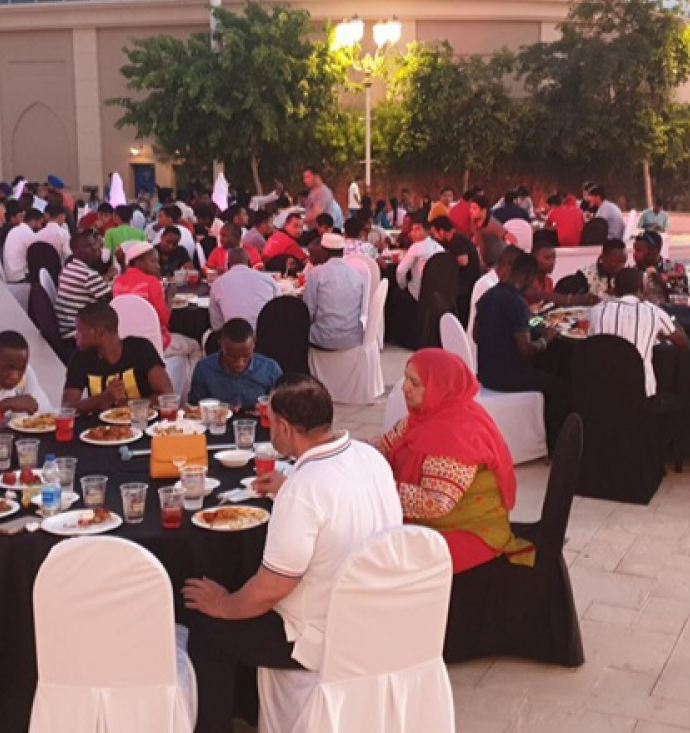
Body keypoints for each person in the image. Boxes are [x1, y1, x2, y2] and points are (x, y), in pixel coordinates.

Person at [183, 375, 400, 733]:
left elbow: (271, 588)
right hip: (374, 611)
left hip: (320, 634)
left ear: (284, 426)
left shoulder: (304, 489)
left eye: (271, 423)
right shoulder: (369, 455)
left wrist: (224, 604)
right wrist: (286, 488)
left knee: (209, 631)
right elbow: (339, 503)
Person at [375, 350, 534, 573]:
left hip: (465, 532)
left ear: (440, 389)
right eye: (405, 378)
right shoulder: (424, 417)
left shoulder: (456, 435)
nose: (404, 388)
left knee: (385, 563)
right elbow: (384, 445)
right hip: (435, 524)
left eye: (415, 383)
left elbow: (436, 503)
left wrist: (377, 489)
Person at [473, 251, 570, 449]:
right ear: (527, 277)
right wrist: (546, 338)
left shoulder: (488, 296)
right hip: (508, 376)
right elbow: (526, 350)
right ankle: (554, 446)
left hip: (485, 372)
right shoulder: (517, 304)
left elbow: (476, 335)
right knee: (562, 388)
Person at [587, 267, 687, 398]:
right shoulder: (653, 312)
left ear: (614, 289)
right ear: (641, 287)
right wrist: (671, 320)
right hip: (641, 390)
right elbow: (682, 342)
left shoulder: (596, 311)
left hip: (602, 387)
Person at [64, 302, 174, 412]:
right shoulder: (80, 358)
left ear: (97, 332)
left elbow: (167, 395)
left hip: (144, 423)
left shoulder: (140, 349)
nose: (75, 336)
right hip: (99, 428)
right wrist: (103, 398)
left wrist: (129, 405)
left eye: (79, 330)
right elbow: (66, 407)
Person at [114, 240, 200, 358]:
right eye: (153, 261)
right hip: (153, 344)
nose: (158, 266)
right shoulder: (151, 282)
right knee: (195, 346)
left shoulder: (117, 281)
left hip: (124, 343)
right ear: (138, 262)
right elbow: (164, 320)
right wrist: (169, 297)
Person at [188, 319, 283, 407]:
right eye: (232, 357)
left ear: (254, 345)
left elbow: (281, 408)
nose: (240, 363)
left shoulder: (270, 369)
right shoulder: (204, 369)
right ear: (221, 345)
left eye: (246, 356)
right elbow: (194, 408)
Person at [303, 234, 367, 350]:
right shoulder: (357, 274)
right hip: (353, 339)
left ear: (323, 253)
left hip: (323, 339)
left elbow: (308, 312)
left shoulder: (316, 274)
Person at [54, 229, 113, 343]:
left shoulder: (70, 267)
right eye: (92, 245)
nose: (97, 248)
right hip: (75, 333)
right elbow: (113, 298)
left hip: (65, 326)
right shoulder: (88, 275)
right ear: (79, 251)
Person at [209, 247, 278, 331]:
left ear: (227, 264)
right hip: (265, 334)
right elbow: (279, 307)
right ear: (249, 263)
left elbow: (217, 325)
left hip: (234, 337)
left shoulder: (218, 283)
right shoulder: (267, 279)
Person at [556, 237, 628, 300]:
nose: (621, 266)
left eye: (623, 262)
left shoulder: (624, 276)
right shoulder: (584, 278)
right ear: (602, 258)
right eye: (615, 262)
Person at [396, 217, 444, 300]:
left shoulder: (416, 247)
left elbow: (400, 271)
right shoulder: (440, 248)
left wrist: (403, 287)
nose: (413, 233)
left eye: (417, 230)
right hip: (437, 295)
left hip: (416, 294)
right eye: (412, 230)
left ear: (427, 231)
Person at [632, 231, 687, 303]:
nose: (635, 255)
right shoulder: (633, 272)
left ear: (655, 251)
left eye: (639, 251)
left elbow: (683, 299)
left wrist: (663, 284)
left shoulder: (675, 269)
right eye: (635, 250)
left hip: (667, 312)